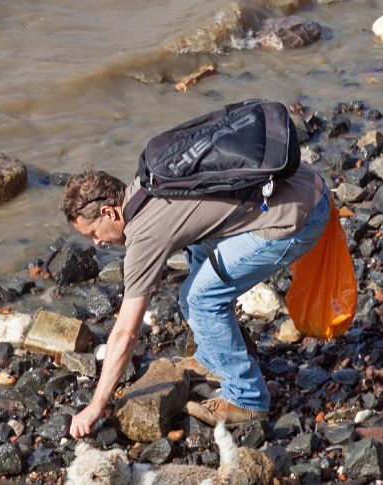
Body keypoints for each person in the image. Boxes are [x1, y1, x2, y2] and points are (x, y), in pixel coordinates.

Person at [61, 161, 329, 439]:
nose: (96, 243)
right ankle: (215, 357)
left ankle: (247, 398)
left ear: (108, 212)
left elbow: (126, 334)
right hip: (304, 182)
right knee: (197, 256)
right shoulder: (150, 181)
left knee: (200, 297)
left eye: (93, 233)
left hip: (298, 216)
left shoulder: (144, 236)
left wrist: (95, 406)